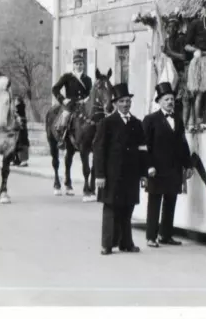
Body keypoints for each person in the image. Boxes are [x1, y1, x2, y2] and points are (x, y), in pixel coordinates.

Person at [94, 83, 147, 256]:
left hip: (130, 175)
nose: (126, 104)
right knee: (110, 208)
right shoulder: (107, 123)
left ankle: (126, 243)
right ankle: (107, 244)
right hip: (111, 175)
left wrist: (143, 174)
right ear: (115, 103)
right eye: (122, 101)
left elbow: (142, 150)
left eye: (128, 101)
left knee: (127, 208)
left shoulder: (137, 124)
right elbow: (99, 150)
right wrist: (99, 175)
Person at [142, 82, 194, 248]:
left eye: (171, 99)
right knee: (154, 202)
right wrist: (148, 166)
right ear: (159, 101)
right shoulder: (150, 120)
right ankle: (151, 237)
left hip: (174, 168)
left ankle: (166, 235)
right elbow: (144, 146)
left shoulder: (177, 119)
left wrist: (188, 164)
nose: (170, 102)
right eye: (166, 99)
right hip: (156, 170)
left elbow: (182, 144)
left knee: (170, 201)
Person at [52, 51, 92, 148]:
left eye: (81, 64)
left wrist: (87, 99)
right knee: (65, 118)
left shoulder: (87, 79)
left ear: (84, 65)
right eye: (77, 64)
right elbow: (55, 89)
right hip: (70, 103)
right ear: (73, 65)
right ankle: (61, 139)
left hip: (83, 104)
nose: (79, 66)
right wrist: (63, 100)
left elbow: (90, 93)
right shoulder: (67, 77)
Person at [160, 13, 193, 127]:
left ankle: (184, 125)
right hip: (170, 74)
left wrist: (170, 53)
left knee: (185, 99)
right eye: (169, 26)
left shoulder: (181, 38)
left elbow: (183, 57)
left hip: (182, 72)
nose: (172, 28)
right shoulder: (166, 41)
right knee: (170, 99)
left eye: (174, 26)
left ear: (178, 27)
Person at [12, 95, 30, 167]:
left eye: (16, 101)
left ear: (18, 101)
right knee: (17, 143)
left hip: (21, 128)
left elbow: (18, 117)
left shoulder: (19, 107)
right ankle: (17, 160)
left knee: (22, 143)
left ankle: (23, 161)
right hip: (18, 127)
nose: (15, 102)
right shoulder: (18, 108)